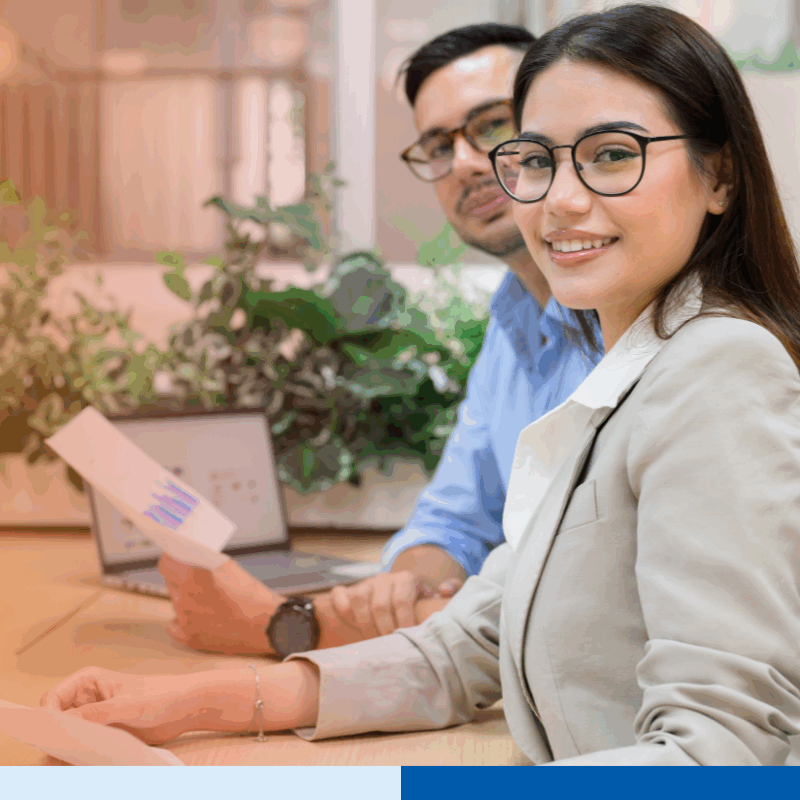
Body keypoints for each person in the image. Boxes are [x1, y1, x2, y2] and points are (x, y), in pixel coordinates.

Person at [41, 4, 800, 765]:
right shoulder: (621, 369)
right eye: (537, 160)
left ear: (721, 177)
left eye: (611, 153)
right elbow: (464, 645)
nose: (559, 199)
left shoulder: (720, 370)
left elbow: (721, 757)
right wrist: (194, 703)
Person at [156, 23, 602, 657]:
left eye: (493, 126)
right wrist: (401, 590)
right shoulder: (512, 322)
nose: (467, 164)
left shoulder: (633, 321)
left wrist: (289, 625)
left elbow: (588, 592)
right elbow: (454, 520)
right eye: (438, 146)